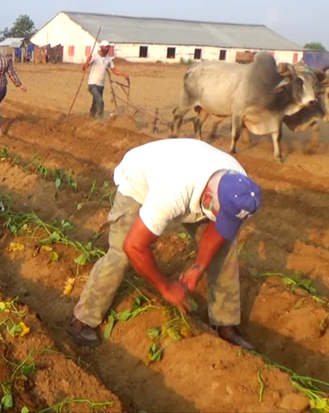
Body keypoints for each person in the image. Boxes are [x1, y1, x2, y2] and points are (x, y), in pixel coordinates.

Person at [67, 138, 262, 351]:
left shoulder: (241, 189)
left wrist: (198, 267)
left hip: (190, 181)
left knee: (225, 248)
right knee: (121, 253)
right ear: (207, 198)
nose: (221, 219)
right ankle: (83, 319)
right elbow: (135, 246)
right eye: (220, 214)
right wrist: (166, 287)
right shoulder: (174, 188)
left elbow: (219, 231)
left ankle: (225, 324)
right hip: (137, 185)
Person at [82, 40, 128, 118]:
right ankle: (101, 118)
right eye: (106, 47)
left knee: (95, 102)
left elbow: (114, 70)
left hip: (101, 85)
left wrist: (123, 74)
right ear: (101, 48)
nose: (107, 49)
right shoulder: (94, 57)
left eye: (108, 47)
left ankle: (91, 117)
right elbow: (84, 68)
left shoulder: (108, 59)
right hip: (92, 84)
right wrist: (87, 60)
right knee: (100, 101)